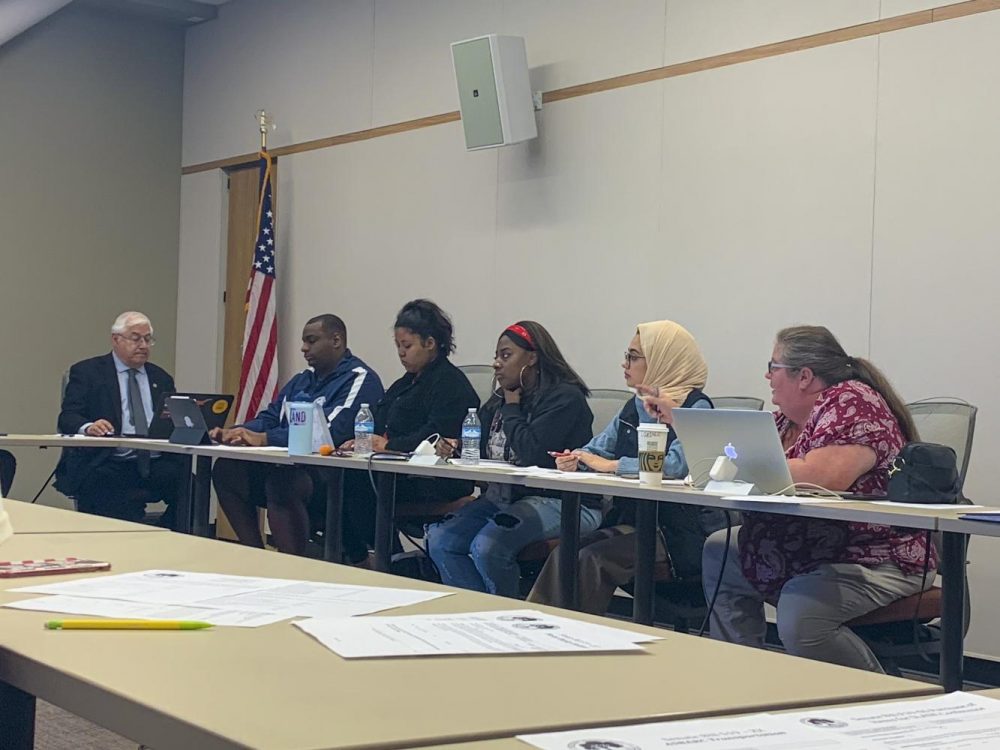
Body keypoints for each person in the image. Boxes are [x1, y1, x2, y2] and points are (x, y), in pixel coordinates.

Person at [700, 325, 934, 672]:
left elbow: (825, 476)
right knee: (721, 551)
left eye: (773, 366)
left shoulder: (854, 402)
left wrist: (739, 467)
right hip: (817, 550)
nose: (767, 376)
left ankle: (875, 701)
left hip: (879, 556)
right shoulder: (787, 422)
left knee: (801, 612)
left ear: (805, 376)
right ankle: (741, 675)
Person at [527, 320, 725, 613]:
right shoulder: (635, 405)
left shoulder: (696, 407)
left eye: (633, 357)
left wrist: (611, 465)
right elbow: (597, 449)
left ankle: (578, 641)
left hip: (676, 533)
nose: (625, 364)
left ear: (660, 360)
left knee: (591, 558)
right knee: (564, 554)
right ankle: (535, 631)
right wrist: (576, 459)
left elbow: (675, 467)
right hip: (633, 521)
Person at [425, 321, 594, 598]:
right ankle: (477, 617)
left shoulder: (565, 398)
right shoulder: (500, 400)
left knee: (488, 546)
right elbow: (478, 450)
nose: (496, 364)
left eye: (506, 355)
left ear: (532, 357)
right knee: (441, 540)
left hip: (563, 502)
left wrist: (513, 407)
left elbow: (533, 455)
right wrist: (455, 448)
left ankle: (508, 621)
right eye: (496, 356)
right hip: (505, 497)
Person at [211, 314, 383, 559]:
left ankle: (292, 564)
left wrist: (265, 439)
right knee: (227, 471)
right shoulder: (301, 381)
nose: (303, 348)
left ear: (336, 340)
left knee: (284, 483)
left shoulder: (359, 379)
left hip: (335, 476)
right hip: (289, 467)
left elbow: (331, 434)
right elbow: (270, 417)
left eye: (311, 341)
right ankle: (255, 556)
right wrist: (238, 432)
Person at [337, 300, 480, 559]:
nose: (401, 353)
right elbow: (380, 418)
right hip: (396, 473)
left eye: (407, 346)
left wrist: (388, 445)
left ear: (430, 343)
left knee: (354, 484)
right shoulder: (404, 384)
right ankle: (366, 557)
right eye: (398, 347)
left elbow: (436, 435)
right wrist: (361, 441)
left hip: (435, 480)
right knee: (334, 480)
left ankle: (384, 558)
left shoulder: (451, 385)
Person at [56, 311, 184, 528]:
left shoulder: (160, 378)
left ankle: (168, 538)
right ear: (116, 340)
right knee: (114, 497)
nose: (143, 345)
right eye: (136, 338)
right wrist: (89, 427)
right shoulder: (88, 372)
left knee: (191, 486)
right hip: (109, 460)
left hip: (155, 462)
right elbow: (68, 417)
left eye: (148, 339)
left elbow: (171, 420)